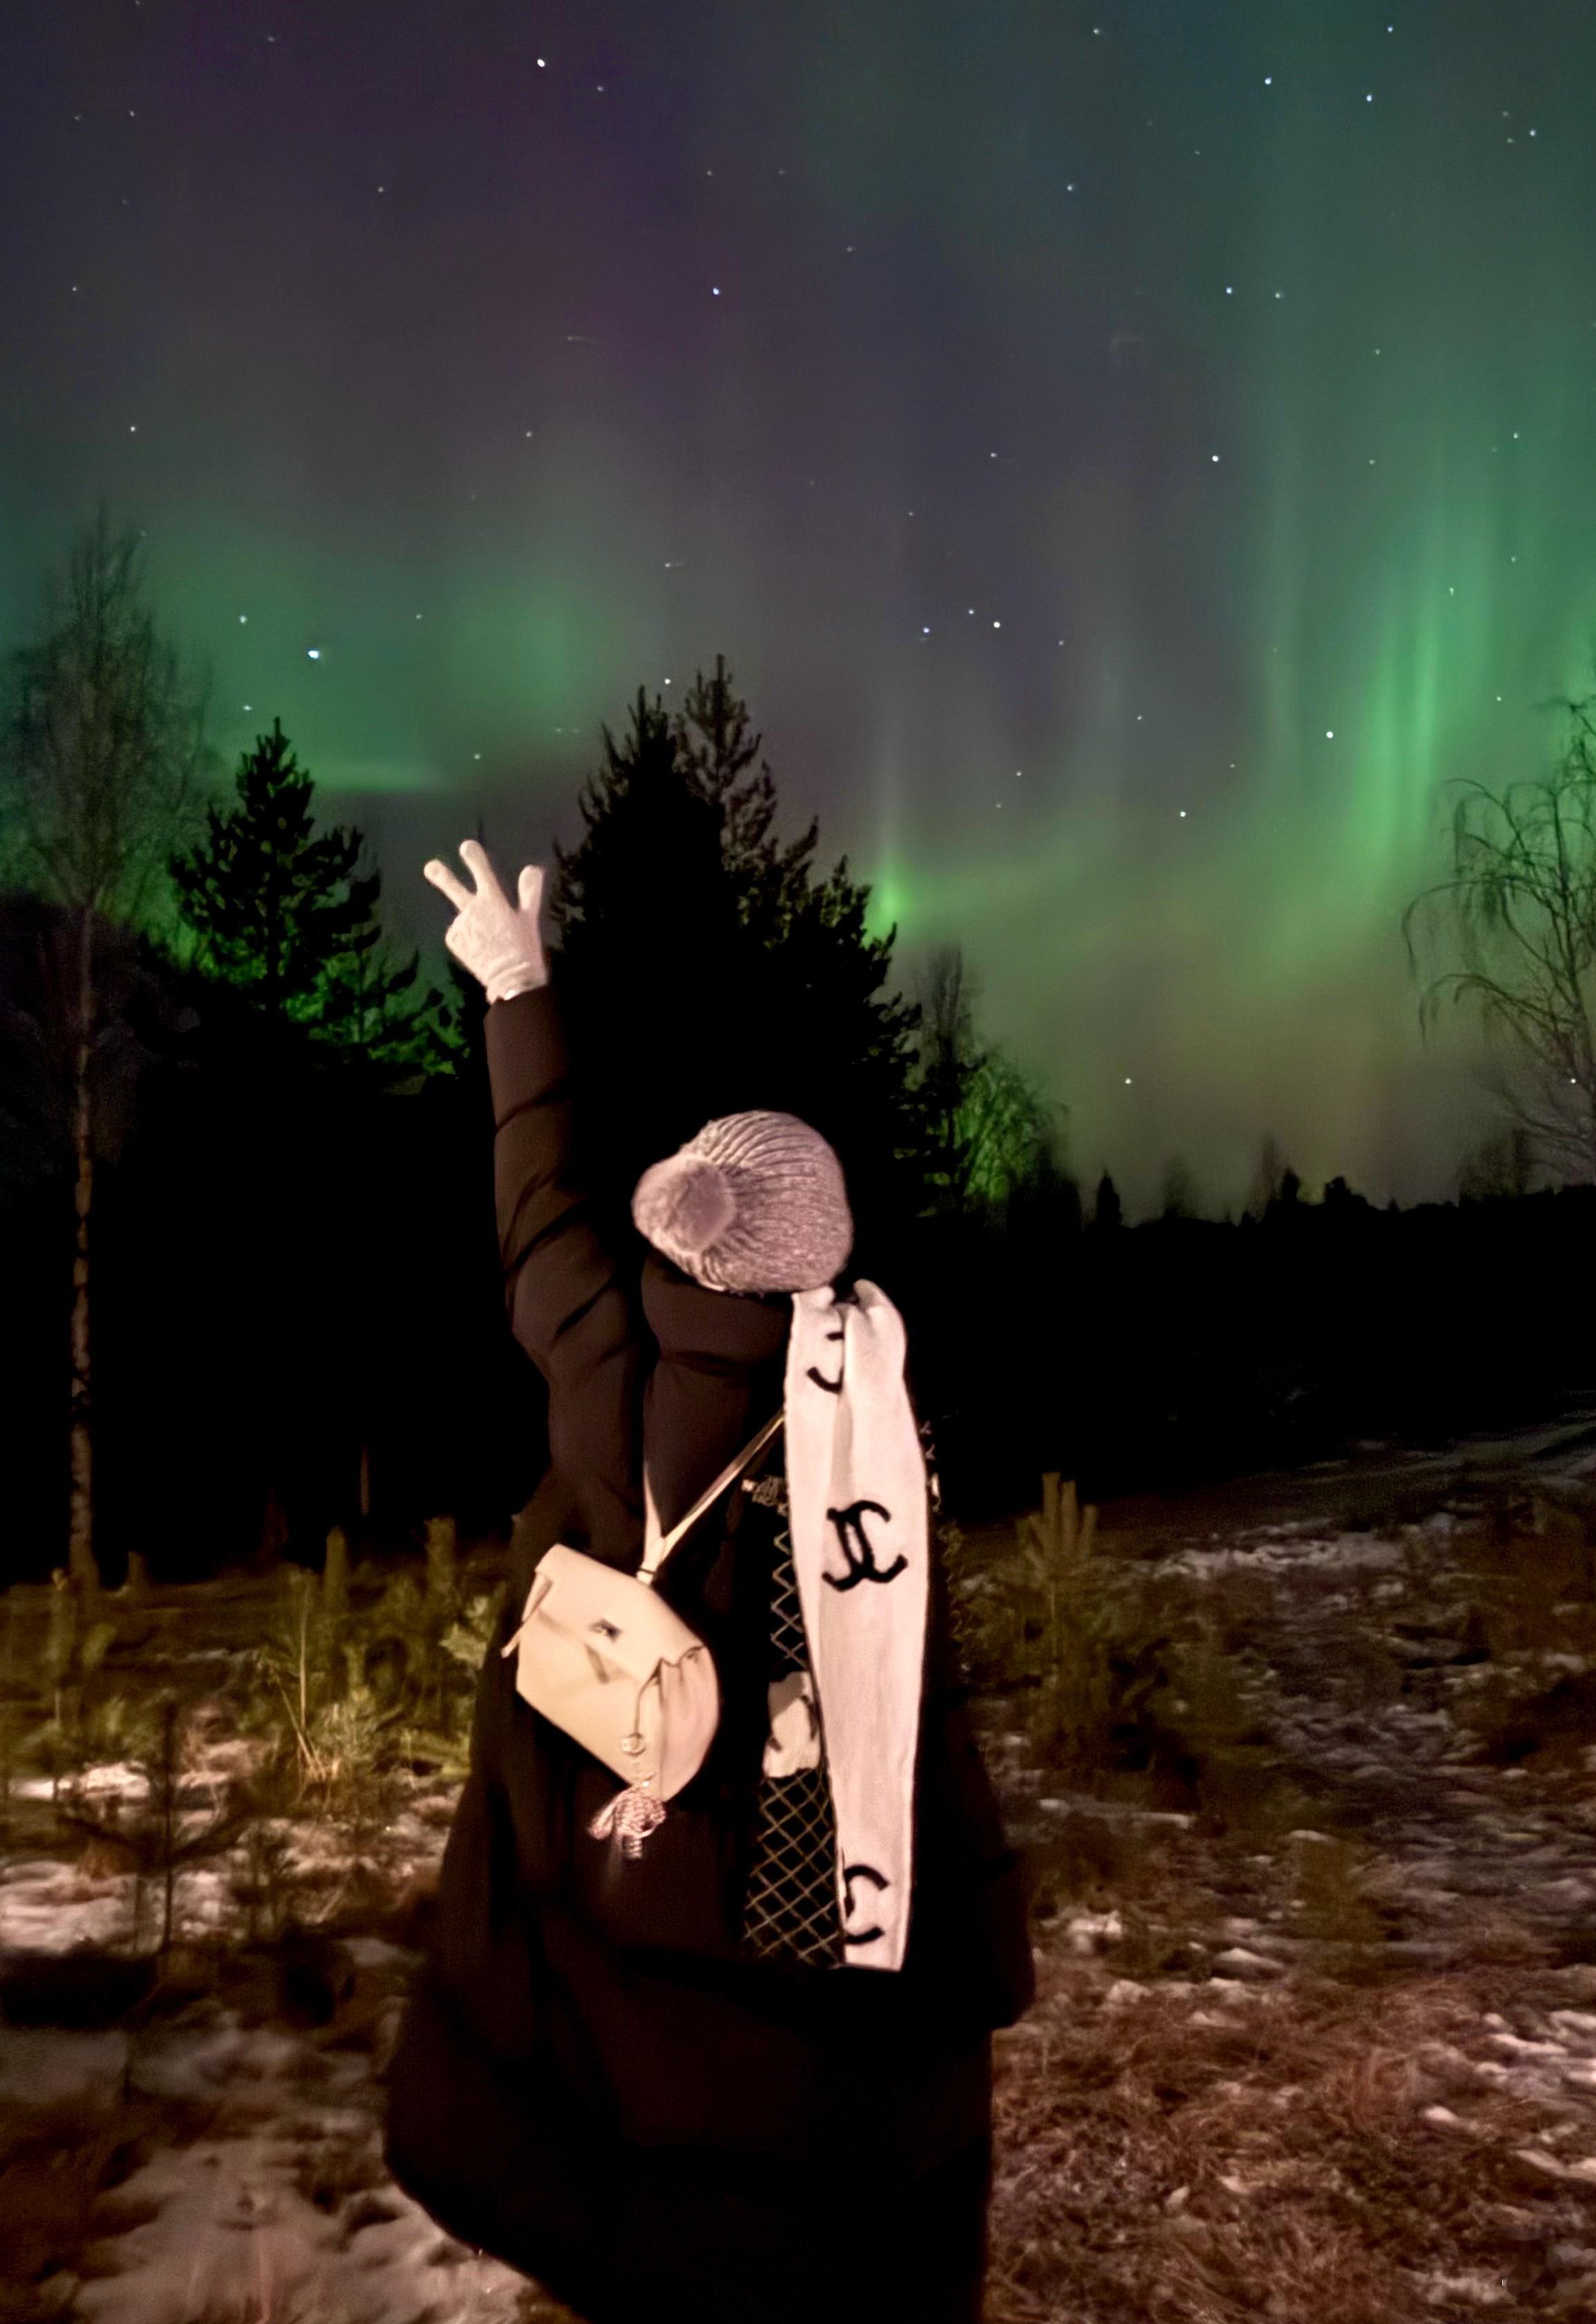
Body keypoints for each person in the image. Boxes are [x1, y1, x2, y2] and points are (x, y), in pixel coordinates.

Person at [384, 842, 1034, 2323]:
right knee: (787, 2204)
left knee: (632, 2149)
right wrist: (981, 1928)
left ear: (678, 1232)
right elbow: (909, 1703)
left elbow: (538, 1217)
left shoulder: (604, 1365)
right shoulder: (859, 1424)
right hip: (785, 1930)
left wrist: (518, 997)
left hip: (625, 1850)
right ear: (820, 1251)